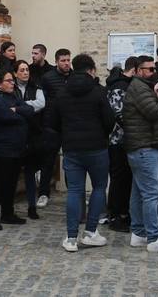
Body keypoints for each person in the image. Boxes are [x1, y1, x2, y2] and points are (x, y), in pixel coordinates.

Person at [45, 52, 114, 252]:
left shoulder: (62, 92)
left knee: (75, 191)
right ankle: (91, 232)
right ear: (91, 70)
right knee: (99, 187)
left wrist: (65, 135)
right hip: (97, 148)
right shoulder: (99, 91)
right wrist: (102, 134)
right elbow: (109, 120)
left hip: (72, 148)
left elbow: (52, 121)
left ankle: (72, 237)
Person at [121, 54, 158, 253]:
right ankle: (154, 237)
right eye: (149, 69)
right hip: (144, 147)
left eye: (154, 69)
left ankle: (138, 233)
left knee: (139, 192)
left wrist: (156, 97)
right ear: (137, 71)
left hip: (141, 146)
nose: (154, 72)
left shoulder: (141, 87)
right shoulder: (138, 87)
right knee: (151, 193)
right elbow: (153, 112)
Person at [0, 69, 35, 230]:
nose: (12, 83)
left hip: (16, 148)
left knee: (11, 182)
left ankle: (8, 213)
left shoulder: (14, 96)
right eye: (8, 81)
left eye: (12, 81)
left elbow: (29, 110)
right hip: (0, 149)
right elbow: (6, 117)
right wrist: (19, 115)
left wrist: (17, 110)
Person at [37, 48, 73, 206]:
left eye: (68, 60)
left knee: (71, 162)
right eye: (63, 60)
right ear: (57, 61)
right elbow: (42, 101)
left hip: (70, 126)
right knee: (48, 161)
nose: (66, 63)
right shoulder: (48, 78)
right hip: (51, 125)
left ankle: (74, 194)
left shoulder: (75, 77)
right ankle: (44, 193)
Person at [105, 57, 136, 231]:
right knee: (118, 179)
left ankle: (124, 213)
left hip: (129, 139)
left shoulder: (127, 84)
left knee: (127, 179)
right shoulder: (118, 86)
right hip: (117, 140)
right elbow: (118, 114)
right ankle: (115, 215)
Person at [13, 59, 46, 219]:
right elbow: (7, 106)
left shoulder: (36, 87)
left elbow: (41, 103)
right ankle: (8, 207)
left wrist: (19, 107)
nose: (25, 72)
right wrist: (26, 108)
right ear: (15, 73)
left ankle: (32, 206)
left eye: (27, 70)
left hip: (32, 135)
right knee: (12, 173)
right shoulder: (11, 88)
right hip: (15, 136)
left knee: (30, 173)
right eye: (22, 70)